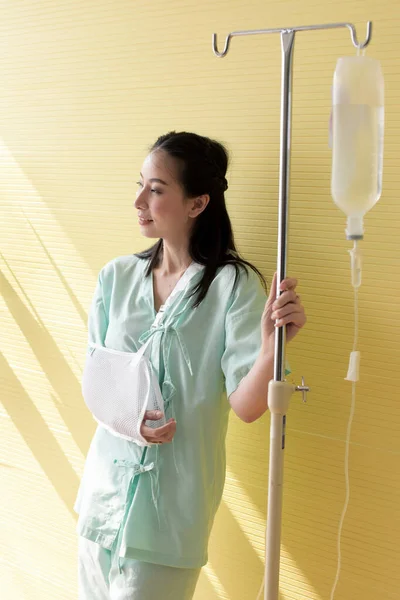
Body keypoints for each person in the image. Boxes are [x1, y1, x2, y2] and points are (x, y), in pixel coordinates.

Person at [74, 131, 307, 600]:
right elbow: (96, 381)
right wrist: (130, 419)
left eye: (156, 189)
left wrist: (269, 349)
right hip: (101, 503)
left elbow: (247, 406)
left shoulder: (233, 287)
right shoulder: (116, 277)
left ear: (198, 203)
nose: (139, 200)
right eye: (140, 184)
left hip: (169, 519)